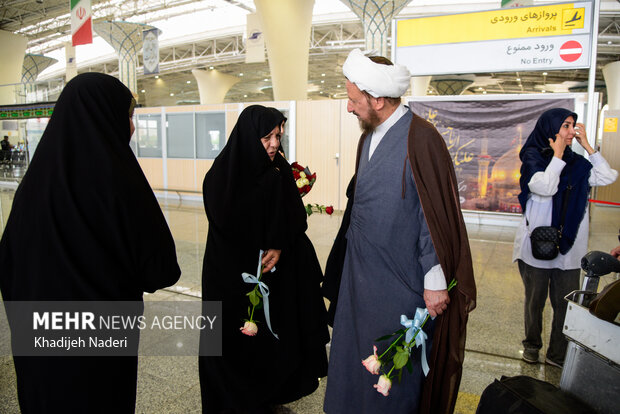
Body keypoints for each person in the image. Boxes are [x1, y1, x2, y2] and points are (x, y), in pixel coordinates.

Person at [0, 73, 181, 413]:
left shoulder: (32, 186)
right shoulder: (120, 181)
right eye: (128, 116)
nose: (130, 127)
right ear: (106, 117)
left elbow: (7, 265)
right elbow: (161, 270)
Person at [323, 49, 476, 414]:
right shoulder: (369, 135)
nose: (349, 108)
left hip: (400, 282)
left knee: (393, 369)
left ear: (377, 99)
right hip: (360, 275)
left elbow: (433, 216)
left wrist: (435, 280)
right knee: (355, 358)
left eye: (353, 100)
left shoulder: (421, 138)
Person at [199, 105, 329, 414]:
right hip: (230, 277)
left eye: (278, 136)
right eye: (266, 137)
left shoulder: (279, 170)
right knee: (232, 343)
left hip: (271, 275)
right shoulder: (224, 173)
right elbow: (228, 222)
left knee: (267, 342)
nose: (274, 144)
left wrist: (280, 244)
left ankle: (265, 397)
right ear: (248, 135)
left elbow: (295, 218)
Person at [513, 108, 618, 368]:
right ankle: (531, 346)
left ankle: (557, 355)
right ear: (550, 129)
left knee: (565, 305)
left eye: (574, 126)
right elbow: (545, 187)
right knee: (534, 303)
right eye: (566, 126)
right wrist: (557, 155)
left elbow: (608, 176)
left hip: (569, 250)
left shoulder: (578, 164)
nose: (572, 131)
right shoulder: (532, 158)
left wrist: (588, 147)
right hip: (537, 248)